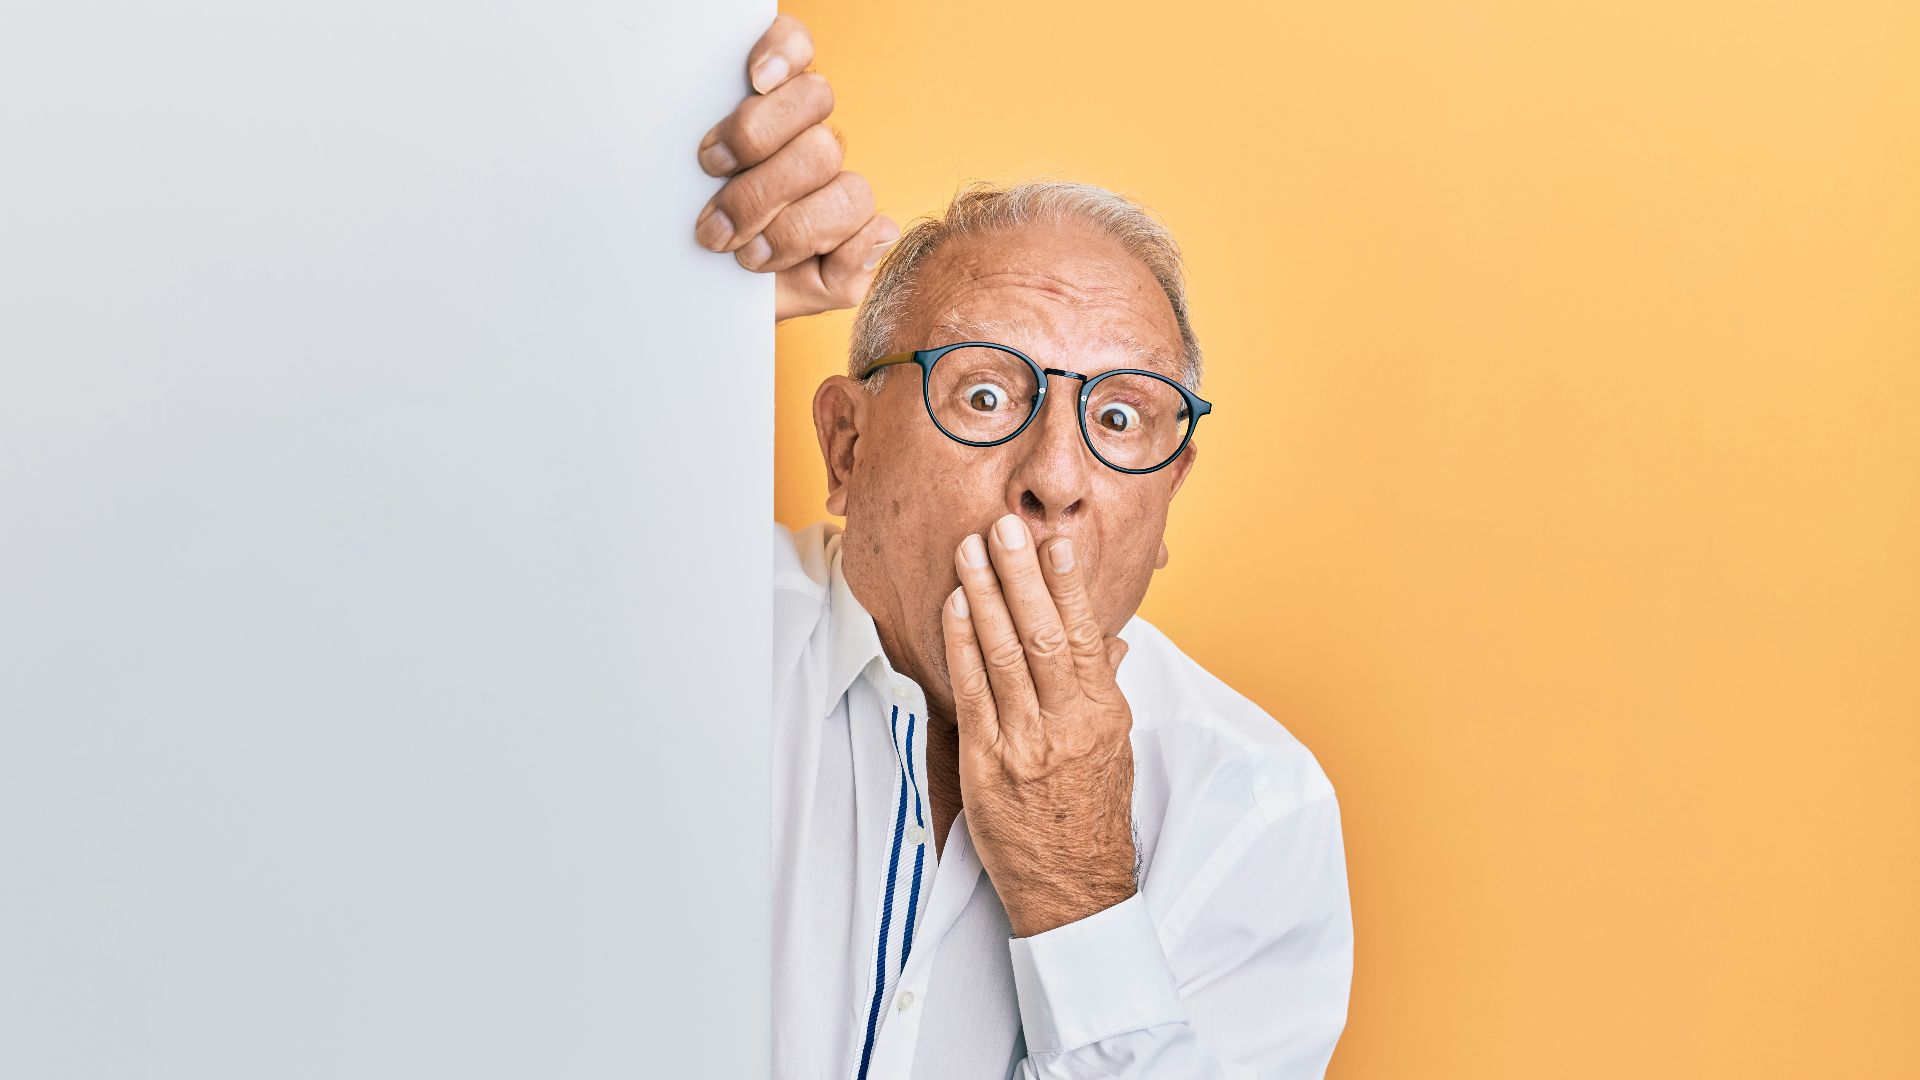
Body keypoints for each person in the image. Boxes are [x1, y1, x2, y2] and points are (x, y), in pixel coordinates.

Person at [696, 15, 1353, 1079]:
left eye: (1123, 421)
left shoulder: (1253, 806)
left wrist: (1074, 887)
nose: (1055, 477)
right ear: (847, 446)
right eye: (988, 394)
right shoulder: (686, 636)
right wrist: (645, 263)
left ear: (1168, 497)